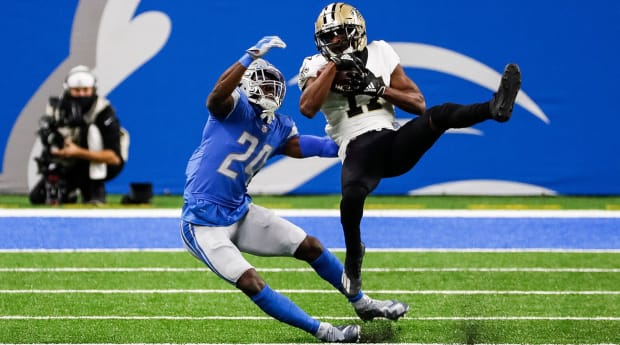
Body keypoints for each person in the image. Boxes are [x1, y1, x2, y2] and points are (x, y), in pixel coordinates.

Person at [180, 36, 408, 343]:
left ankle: (362, 302)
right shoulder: (231, 110)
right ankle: (325, 332)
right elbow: (216, 95)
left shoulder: (277, 126)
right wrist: (249, 57)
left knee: (311, 246)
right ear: (246, 86)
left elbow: (310, 146)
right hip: (203, 222)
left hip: (239, 210)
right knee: (251, 281)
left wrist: (361, 139)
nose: (269, 91)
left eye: (273, 86)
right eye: (262, 85)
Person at [298, 2, 522, 296]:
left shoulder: (380, 52)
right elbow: (307, 107)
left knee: (438, 115)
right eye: (328, 36)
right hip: (358, 150)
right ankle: (354, 255)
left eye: (338, 35)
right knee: (352, 195)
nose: (333, 41)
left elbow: (418, 104)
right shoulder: (315, 65)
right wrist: (334, 66)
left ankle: (493, 108)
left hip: (393, 144)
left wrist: (378, 88)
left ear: (355, 32)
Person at [29, 65, 126, 205]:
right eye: (76, 90)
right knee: (38, 198)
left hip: (100, 165)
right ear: (68, 90)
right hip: (69, 163)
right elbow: (49, 139)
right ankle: (70, 193)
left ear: (93, 89)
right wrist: (55, 148)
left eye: (86, 90)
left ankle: (95, 188)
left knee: (92, 131)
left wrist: (77, 152)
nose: (81, 94)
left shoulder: (103, 112)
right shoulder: (57, 109)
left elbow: (114, 158)